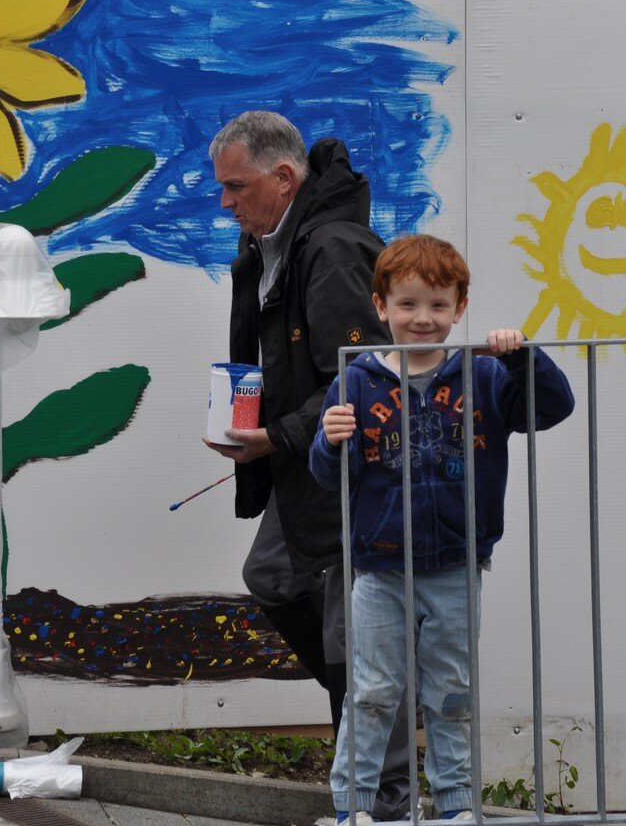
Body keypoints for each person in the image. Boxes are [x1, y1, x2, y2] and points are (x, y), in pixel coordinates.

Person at [310, 235, 575, 824]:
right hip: (378, 570)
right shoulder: (355, 381)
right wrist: (329, 442)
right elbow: (328, 476)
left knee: (451, 694)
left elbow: (554, 407)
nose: (422, 318)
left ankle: (456, 807)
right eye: (407, 304)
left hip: (456, 566)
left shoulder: (484, 374)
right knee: (372, 693)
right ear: (380, 306)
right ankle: (353, 808)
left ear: (460, 308)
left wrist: (522, 357)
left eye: (437, 304)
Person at [204, 111, 414, 819]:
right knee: (272, 577)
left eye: (236, 187)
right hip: (310, 461)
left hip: (359, 470)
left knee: (353, 639)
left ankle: (383, 800)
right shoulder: (270, 246)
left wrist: (276, 436)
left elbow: (366, 375)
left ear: (285, 177)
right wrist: (250, 421)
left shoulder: (330, 248)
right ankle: (363, 731)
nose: (226, 202)